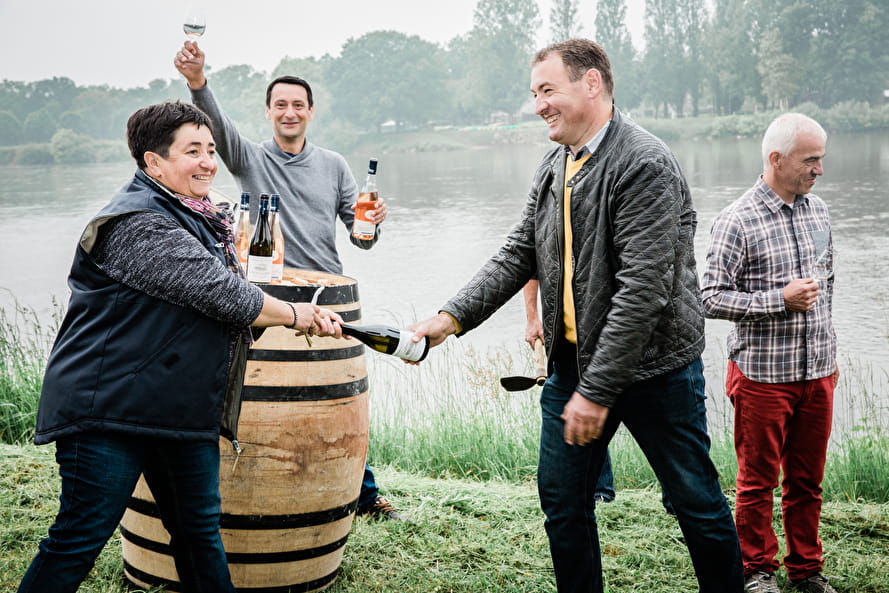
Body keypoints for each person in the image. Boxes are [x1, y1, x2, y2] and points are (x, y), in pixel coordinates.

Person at [409, 39, 744, 593]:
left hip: (657, 370)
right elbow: (518, 252)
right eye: (534, 93)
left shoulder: (645, 164)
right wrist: (449, 319)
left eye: (547, 90)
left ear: (591, 84)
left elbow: (642, 291)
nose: (538, 105)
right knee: (563, 503)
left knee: (695, 502)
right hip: (574, 366)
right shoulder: (555, 163)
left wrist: (596, 392)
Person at [17, 101, 343, 593]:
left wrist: (286, 314)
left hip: (176, 408)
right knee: (79, 536)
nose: (209, 162)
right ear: (154, 162)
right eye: (193, 151)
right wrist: (297, 314)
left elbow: (219, 310)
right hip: (108, 409)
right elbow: (223, 294)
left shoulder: (200, 217)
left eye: (211, 150)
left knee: (197, 535)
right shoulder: (137, 222)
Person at [173, 41, 402, 521]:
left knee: (336, 398)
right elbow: (218, 124)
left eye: (298, 104)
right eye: (281, 104)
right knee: (257, 396)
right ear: (269, 112)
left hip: (328, 297)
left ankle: (363, 494)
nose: (290, 112)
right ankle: (247, 485)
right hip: (265, 298)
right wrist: (197, 81)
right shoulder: (249, 158)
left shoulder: (334, 165)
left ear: (310, 111)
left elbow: (360, 238)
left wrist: (374, 223)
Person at [702, 113, 838, 593]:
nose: (819, 169)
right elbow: (709, 297)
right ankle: (757, 570)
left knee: (807, 481)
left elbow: (827, 282)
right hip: (762, 376)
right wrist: (778, 300)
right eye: (810, 160)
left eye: (821, 159)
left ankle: (807, 570)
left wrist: (828, 353)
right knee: (757, 482)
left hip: (819, 372)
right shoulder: (736, 220)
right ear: (776, 159)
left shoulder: (819, 211)